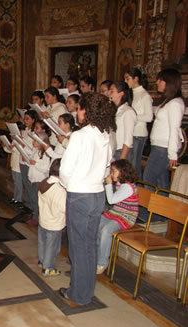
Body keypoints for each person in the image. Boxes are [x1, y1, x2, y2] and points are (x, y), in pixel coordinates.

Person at [59, 92, 116, 305]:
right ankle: (86, 290)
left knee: (77, 247)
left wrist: (69, 184)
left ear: (87, 111)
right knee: (90, 245)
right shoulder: (105, 134)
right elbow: (107, 166)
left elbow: (65, 170)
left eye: (80, 108)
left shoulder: (80, 136)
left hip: (80, 195)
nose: (77, 112)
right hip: (97, 194)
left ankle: (79, 294)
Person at [143, 68, 185, 193]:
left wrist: (172, 153)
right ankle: (161, 211)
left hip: (164, 148)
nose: (157, 83)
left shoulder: (175, 104)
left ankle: (149, 211)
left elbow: (174, 129)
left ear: (168, 82)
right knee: (161, 183)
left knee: (148, 177)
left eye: (160, 80)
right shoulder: (169, 101)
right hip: (160, 147)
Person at [96, 159, 139, 275]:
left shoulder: (128, 187)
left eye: (113, 171)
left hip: (127, 216)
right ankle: (95, 255)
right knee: (96, 224)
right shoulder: (121, 183)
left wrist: (109, 184)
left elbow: (111, 200)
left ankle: (102, 262)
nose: (111, 174)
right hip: (117, 212)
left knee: (106, 230)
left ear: (122, 172)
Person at [37, 158, 66, 276]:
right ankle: (48, 268)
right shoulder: (59, 190)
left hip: (43, 219)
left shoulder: (44, 182)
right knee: (52, 247)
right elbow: (64, 208)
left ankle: (41, 260)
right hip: (54, 223)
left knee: (42, 242)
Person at [124, 68, 153, 179]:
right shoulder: (132, 93)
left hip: (139, 133)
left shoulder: (144, 95)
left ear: (136, 79)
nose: (126, 81)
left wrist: (133, 117)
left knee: (135, 164)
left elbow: (149, 117)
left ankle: (138, 189)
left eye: (128, 79)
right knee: (130, 163)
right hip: (131, 132)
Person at [109, 81, 137, 161]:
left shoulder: (128, 111)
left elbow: (128, 139)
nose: (109, 93)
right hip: (114, 149)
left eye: (112, 91)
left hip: (122, 151)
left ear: (121, 93)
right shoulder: (115, 110)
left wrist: (122, 159)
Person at [28, 130, 51, 226]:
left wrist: (35, 163)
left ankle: (37, 218)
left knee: (38, 201)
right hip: (33, 179)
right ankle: (34, 215)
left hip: (39, 180)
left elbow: (45, 168)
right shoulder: (35, 151)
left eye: (35, 140)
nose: (33, 142)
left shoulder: (45, 154)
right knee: (33, 199)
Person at [3, 121, 25, 207]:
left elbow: (20, 151)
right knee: (15, 182)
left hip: (19, 164)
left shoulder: (22, 139)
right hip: (14, 163)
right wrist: (5, 147)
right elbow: (11, 150)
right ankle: (15, 197)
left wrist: (13, 147)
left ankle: (19, 199)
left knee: (18, 182)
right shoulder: (15, 139)